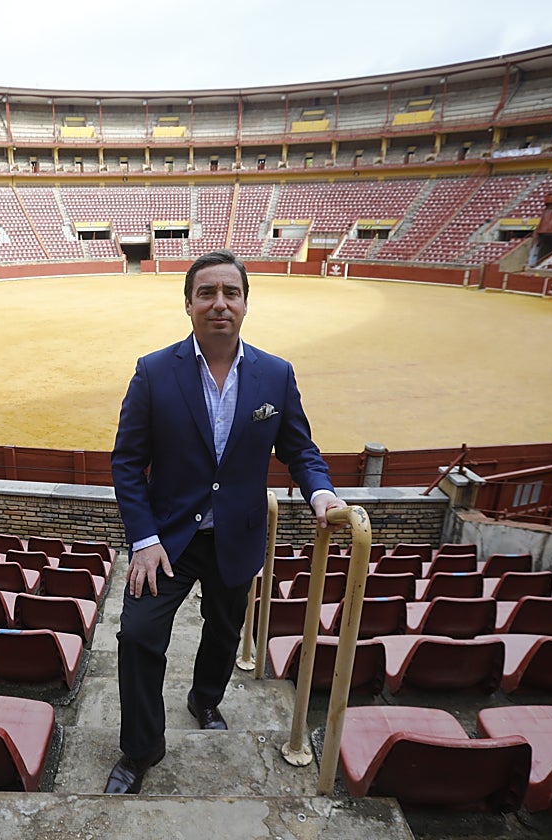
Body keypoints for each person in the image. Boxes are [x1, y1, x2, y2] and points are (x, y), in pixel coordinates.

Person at [106, 249, 344, 795]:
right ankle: (141, 748)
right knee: (138, 634)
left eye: (230, 293)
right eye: (207, 293)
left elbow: (300, 449)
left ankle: (205, 699)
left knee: (224, 630)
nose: (219, 303)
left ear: (244, 304)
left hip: (237, 535)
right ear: (188, 303)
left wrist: (321, 493)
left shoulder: (275, 374)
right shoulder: (153, 371)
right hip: (166, 539)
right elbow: (126, 462)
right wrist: (144, 538)